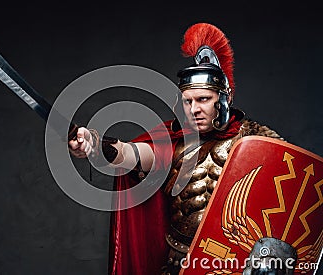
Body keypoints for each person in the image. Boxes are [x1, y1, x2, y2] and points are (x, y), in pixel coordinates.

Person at [68, 22, 282, 275]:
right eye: (188, 101)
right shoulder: (173, 141)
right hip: (179, 262)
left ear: (225, 99)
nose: (194, 109)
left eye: (204, 99)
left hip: (236, 264)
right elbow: (132, 154)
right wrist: (94, 145)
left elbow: (288, 203)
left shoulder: (259, 141)